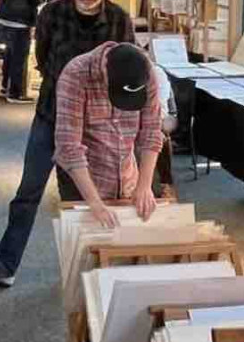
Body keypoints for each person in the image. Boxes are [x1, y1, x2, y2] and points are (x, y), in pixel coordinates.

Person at [0, 0, 134, 288]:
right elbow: (44, 60)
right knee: (27, 192)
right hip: (51, 116)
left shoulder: (119, 19)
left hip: (94, 127)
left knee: (78, 200)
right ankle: (7, 265)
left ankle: (86, 269)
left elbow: (126, 69)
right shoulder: (51, 13)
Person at [54, 42, 163, 226]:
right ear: (105, 73)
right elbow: (68, 147)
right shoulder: (75, 74)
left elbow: (152, 131)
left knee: (128, 244)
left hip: (128, 177)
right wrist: (94, 203)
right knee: (85, 247)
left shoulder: (145, 71)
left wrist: (144, 186)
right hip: (83, 182)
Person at [0, 0, 45, 102]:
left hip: (4, 18)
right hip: (20, 21)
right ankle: (16, 93)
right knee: (19, 57)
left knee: (8, 55)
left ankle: (5, 86)